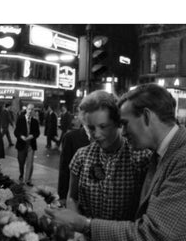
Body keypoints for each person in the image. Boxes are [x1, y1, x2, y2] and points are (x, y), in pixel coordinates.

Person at [46, 84, 186, 241]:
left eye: (124, 124)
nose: (123, 132)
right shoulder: (162, 153)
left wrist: (84, 224)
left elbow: (151, 234)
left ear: (147, 116)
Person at [65, 90, 152, 221]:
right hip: (86, 238)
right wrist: (76, 226)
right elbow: (72, 198)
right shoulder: (81, 156)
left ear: (118, 123)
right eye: (91, 128)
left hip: (124, 238)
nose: (97, 134)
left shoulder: (141, 157)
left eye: (103, 126)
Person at [57, 109, 91, 203]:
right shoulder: (71, 137)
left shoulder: (104, 137)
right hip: (77, 195)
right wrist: (62, 196)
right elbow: (64, 168)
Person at [14, 103, 40, 186]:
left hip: (31, 145)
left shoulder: (35, 121)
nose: (30, 111)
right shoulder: (20, 119)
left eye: (32, 109)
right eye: (29, 109)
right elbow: (16, 132)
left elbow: (37, 133)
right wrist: (21, 136)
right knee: (21, 162)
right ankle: (21, 175)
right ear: (26, 109)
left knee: (30, 163)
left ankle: (27, 180)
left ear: (33, 111)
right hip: (21, 144)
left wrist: (32, 136)